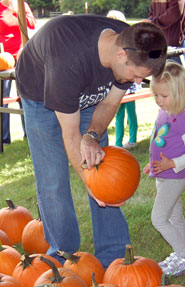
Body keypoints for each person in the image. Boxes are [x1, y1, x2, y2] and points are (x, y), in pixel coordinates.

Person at [16, 15, 167, 267]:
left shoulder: (132, 43)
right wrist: (92, 184)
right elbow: (70, 133)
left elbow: (109, 102)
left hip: (87, 92)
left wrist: (93, 135)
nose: (138, 83)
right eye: (137, 75)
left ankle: (114, 255)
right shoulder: (68, 60)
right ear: (120, 56)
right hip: (40, 92)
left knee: (104, 167)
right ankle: (63, 257)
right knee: (53, 176)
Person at [143, 61, 185, 276]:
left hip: (175, 176)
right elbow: (160, 140)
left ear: (180, 93)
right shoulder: (164, 112)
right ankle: (181, 256)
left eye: (164, 96)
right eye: (156, 95)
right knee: (175, 216)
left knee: (158, 218)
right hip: (163, 174)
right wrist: (153, 162)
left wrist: (171, 164)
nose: (159, 101)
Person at [0, 0, 36, 146]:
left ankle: (29, 134)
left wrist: (17, 11)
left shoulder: (22, 5)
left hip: (21, 55)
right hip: (3, 57)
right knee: (3, 97)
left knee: (25, 96)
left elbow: (32, 24)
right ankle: (2, 139)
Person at [106, 10, 141, 149]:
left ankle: (131, 140)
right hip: (117, 88)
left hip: (128, 88)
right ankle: (119, 143)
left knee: (129, 114)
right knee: (119, 115)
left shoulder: (127, 44)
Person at [148, 0, 185, 74]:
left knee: (180, 79)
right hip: (160, 43)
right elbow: (152, 9)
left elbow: (176, 10)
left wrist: (154, 22)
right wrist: (152, 21)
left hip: (176, 43)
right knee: (161, 79)